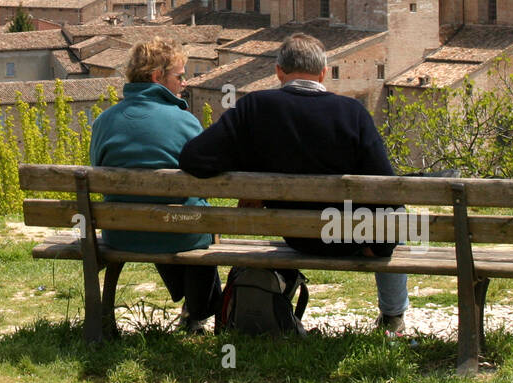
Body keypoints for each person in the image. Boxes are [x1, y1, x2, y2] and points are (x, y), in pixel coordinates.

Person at [178, 32, 410, 333]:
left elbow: (194, 158)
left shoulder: (254, 107)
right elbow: (386, 188)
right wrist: (377, 247)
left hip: (297, 236)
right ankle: (393, 318)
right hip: (349, 238)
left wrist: (254, 175)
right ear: (323, 74)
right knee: (400, 221)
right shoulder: (353, 112)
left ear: (278, 72)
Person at [89, 38, 222, 332]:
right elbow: (202, 182)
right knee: (192, 216)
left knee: (165, 215)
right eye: (180, 75)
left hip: (120, 234)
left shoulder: (104, 121)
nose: (185, 83)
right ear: (157, 78)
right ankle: (199, 311)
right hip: (179, 235)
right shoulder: (185, 121)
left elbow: (97, 171)